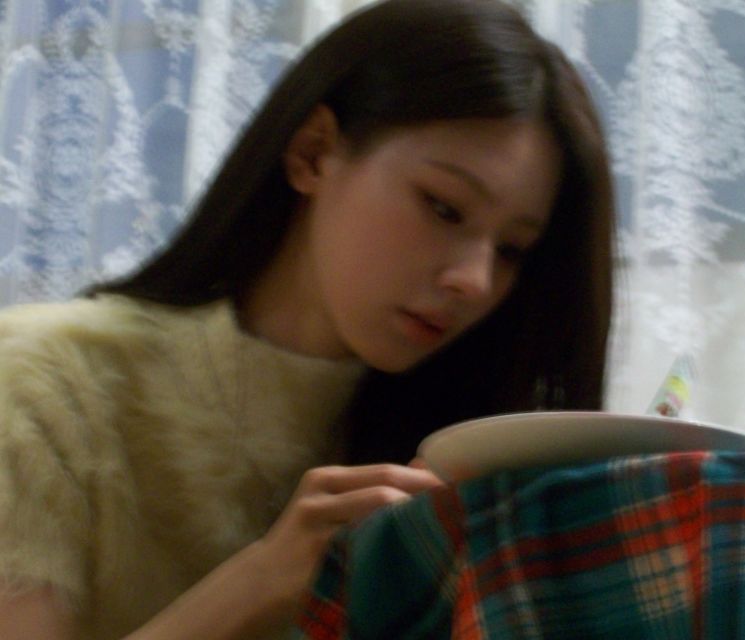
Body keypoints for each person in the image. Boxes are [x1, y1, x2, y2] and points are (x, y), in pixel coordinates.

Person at [0, 0, 615, 637]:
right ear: (313, 152)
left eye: (511, 250)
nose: (475, 280)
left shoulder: (455, 454)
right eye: (444, 207)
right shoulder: (44, 384)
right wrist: (258, 582)